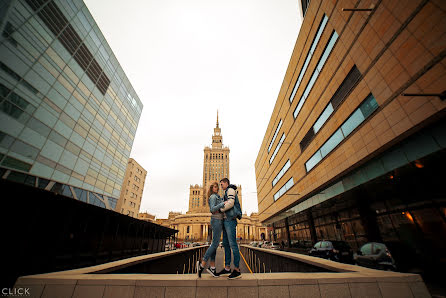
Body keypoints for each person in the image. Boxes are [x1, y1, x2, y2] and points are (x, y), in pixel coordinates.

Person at [197, 181, 225, 278]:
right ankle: (202, 265)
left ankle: (212, 268)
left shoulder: (217, 196)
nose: (217, 188)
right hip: (216, 220)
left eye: (217, 186)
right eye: (215, 187)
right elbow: (212, 209)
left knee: (214, 244)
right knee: (214, 244)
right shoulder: (213, 196)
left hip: (218, 220)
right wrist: (223, 204)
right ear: (211, 188)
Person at [217, 178, 242, 279]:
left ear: (226, 183)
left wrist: (220, 209)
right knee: (226, 244)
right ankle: (227, 268)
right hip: (226, 220)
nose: (221, 186)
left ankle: (237, 269)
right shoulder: (226, 192)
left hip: (230, 220)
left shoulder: (230, 190)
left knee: (233, 244)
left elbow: (231, 203)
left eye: (222, 184)